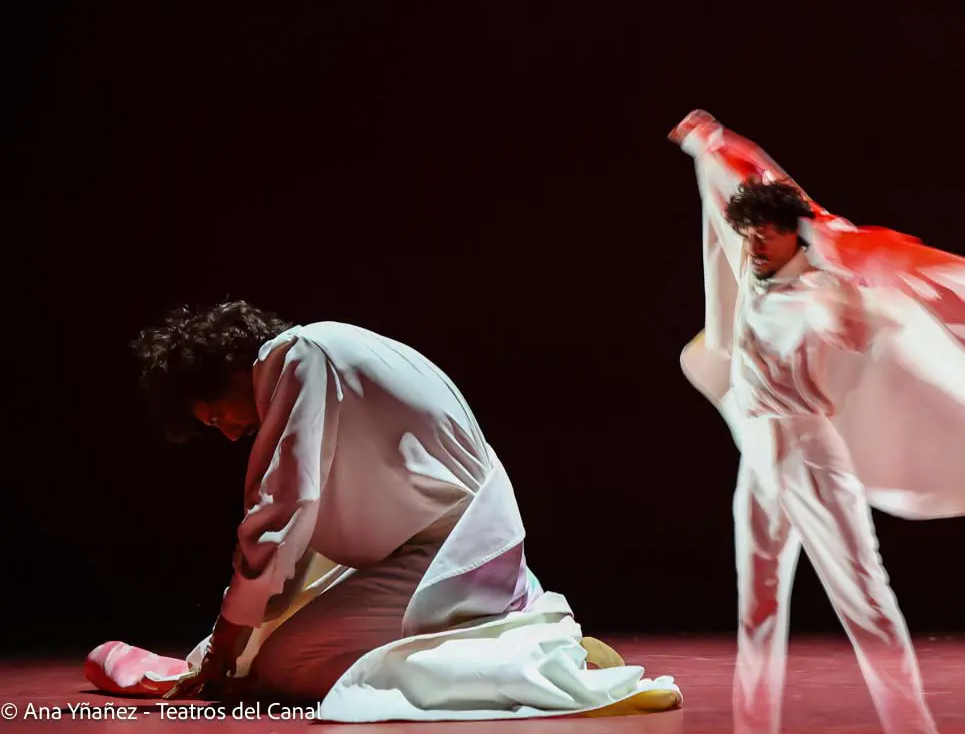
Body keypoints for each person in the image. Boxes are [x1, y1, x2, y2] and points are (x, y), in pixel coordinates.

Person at [668, 111, 965, 734]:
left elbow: (862, 322)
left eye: (768, 234)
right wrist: (708, 146)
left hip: (810, 454)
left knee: (863, 602)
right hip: (760, 456)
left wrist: (849, 270)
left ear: (795, 238)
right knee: (757, 604)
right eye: (753, 235)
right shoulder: (755, 273)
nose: (755, 244)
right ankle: (752, 727)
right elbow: (729, 202)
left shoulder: (822, 297)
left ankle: (910, 727)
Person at [119, 301, 681, 721]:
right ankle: (502, 634)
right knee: (264, 642)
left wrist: (225, 640)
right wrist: (236, 633)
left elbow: (282, 511)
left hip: (449, 550)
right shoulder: (327, 348)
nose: (230, 432)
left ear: (234, 370)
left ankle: (538, 659)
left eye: (218, 416)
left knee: (283, 665)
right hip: (433, 544)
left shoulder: (303, 356)